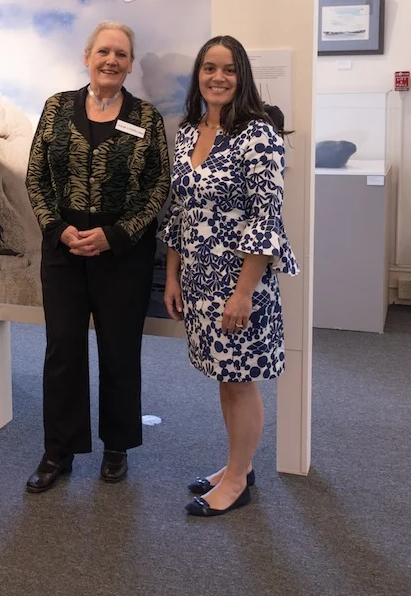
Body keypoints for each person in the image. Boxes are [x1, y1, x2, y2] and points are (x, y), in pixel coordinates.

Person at [24, 21, 171, 494]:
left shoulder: (147, 117)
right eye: (103, 51)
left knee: (120, 350)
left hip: (122, 252)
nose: (111, 60)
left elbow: (158, 187)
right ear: (87, 56)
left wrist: (114, 235)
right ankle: (58, 450)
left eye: (121, 54)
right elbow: (35, 178)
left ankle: (117, 447)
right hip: (63, 247)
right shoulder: (55, 108)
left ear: (130, 64)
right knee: (63, 350)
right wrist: (58, 228)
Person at [160, 34, 299, 518]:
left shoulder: (258, 134)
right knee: (225, 375)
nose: (218, 77)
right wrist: (172, 276)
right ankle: (236, 463)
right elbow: (179, 211)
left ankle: (238, 478)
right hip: (197, 278)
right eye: (209, 68)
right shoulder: (187, 131)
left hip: (240, 282)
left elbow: (266, 219)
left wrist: (243, 294)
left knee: (239, 379)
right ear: (198, 75)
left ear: (243, 77)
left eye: (229, 69)